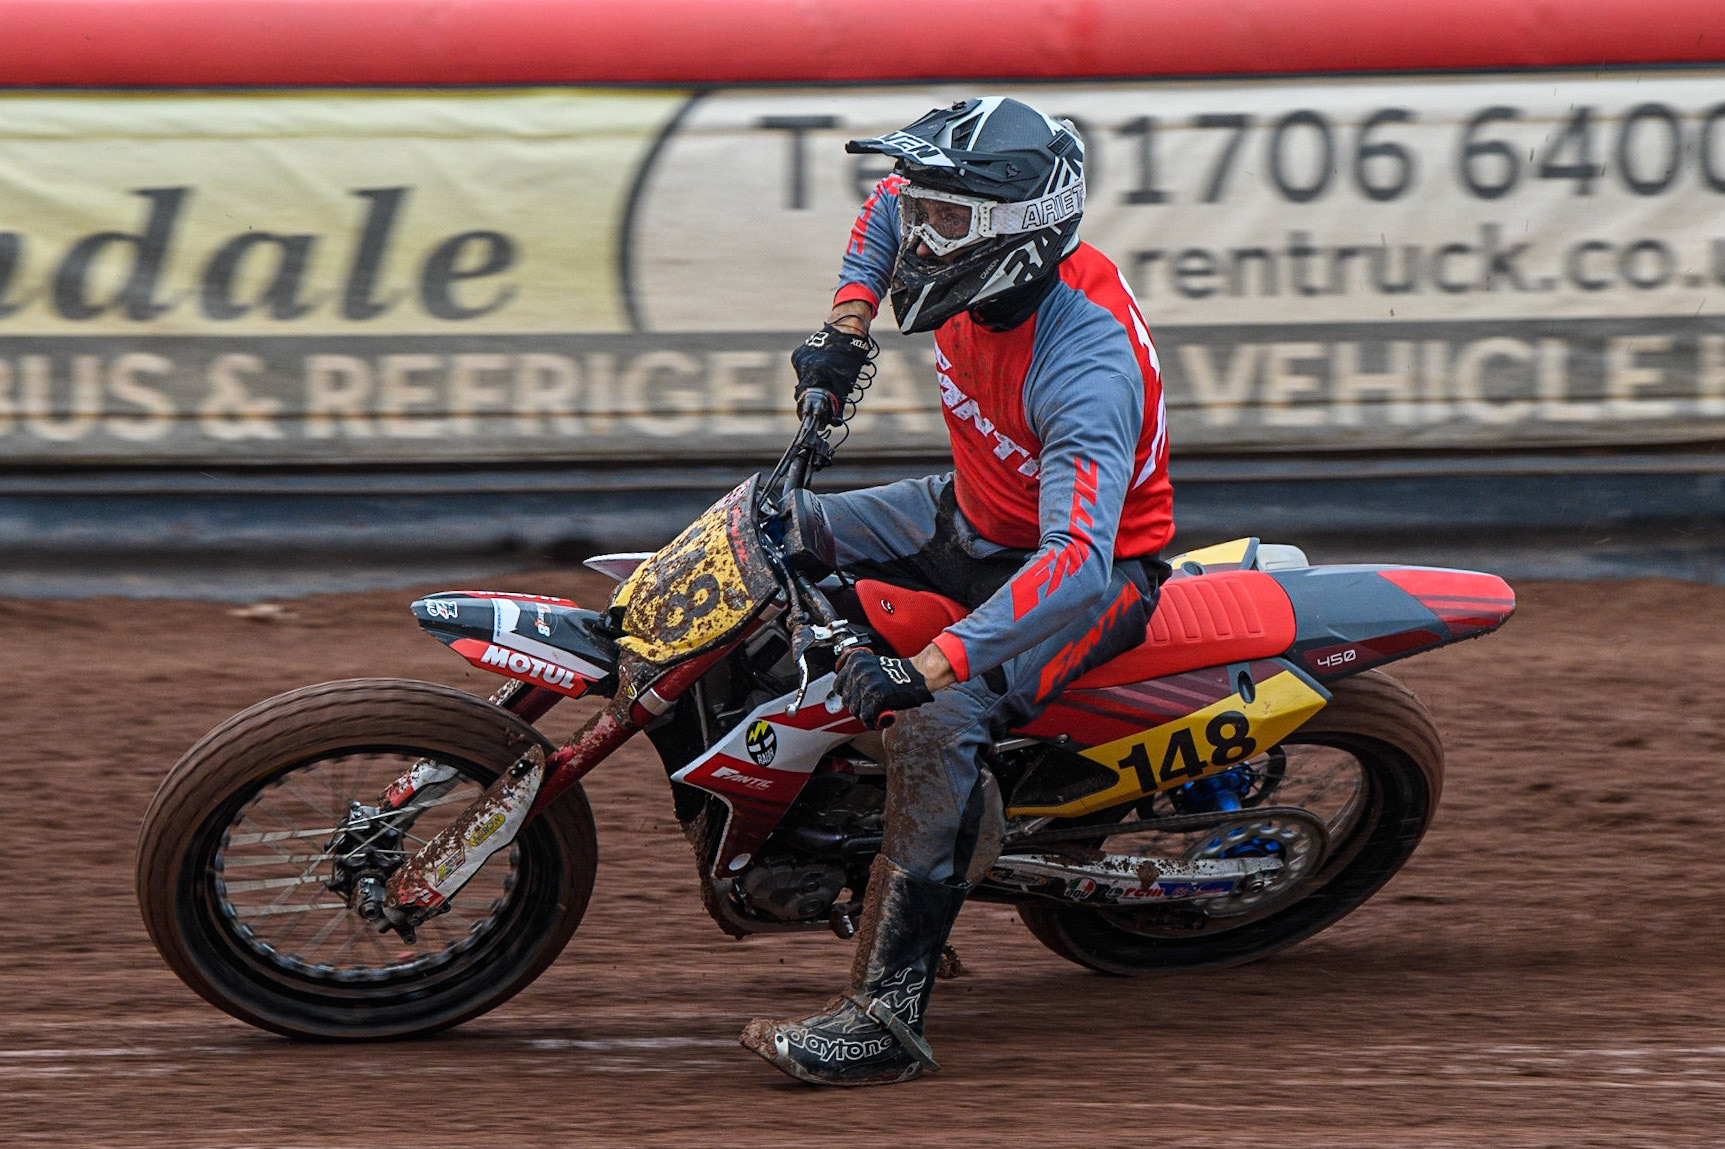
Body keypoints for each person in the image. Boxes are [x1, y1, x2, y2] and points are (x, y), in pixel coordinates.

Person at [739, 96, 1174, 1086]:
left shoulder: (1087, 360)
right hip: (968, 511)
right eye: (931, 217)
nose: (919, 236)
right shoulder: (961, 249)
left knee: (935, 723)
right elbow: (886, 205)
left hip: (1085, 574)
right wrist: (844, 331)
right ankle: (802, 840)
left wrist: (921, 670)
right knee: (760, 524)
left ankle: (886, 1018)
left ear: (1018, 237)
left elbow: (1075, 565)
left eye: (947, 222)